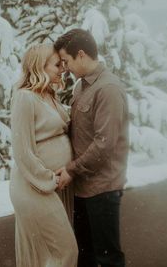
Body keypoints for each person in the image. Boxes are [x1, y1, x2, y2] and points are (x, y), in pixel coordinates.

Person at [54, 29, 129, 267]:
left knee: (107, 258)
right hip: (83, 188)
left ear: (82, 55)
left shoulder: (108, 89)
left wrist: (71, 170)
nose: (64, 67)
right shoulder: (81, 87)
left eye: (66, 61)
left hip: (102, 189)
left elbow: (104, 145)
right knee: (84, 256)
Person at [9, 44, 78, 267]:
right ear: (40, 66)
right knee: (66, 251)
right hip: (35, 186)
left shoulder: (49, 96)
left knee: (47, 255)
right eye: (58, 64)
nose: (63, 69)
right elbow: (23, 151)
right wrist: (50, 180)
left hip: (53, 186)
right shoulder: (24, 98)